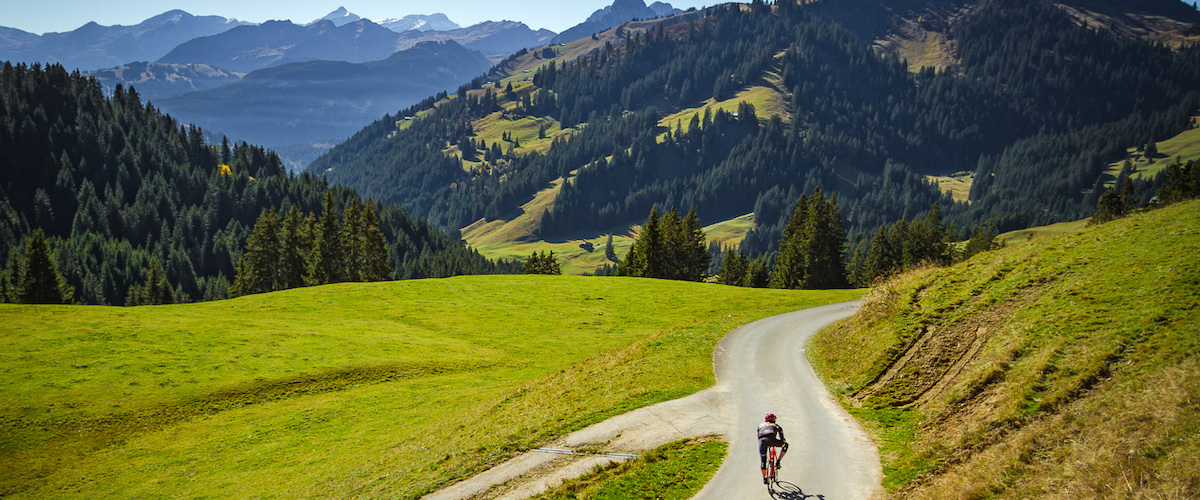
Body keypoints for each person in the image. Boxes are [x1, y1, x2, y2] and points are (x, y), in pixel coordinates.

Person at [758, 413, 788, 484]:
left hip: (762, 442)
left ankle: (765, 478)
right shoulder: (776, 426)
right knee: (785, 445)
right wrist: (783, 442)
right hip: (772, 440)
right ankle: (778, 461)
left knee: (763, 461)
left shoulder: (760, 426)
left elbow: (758, 436)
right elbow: (782, 438)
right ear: (774, 420)